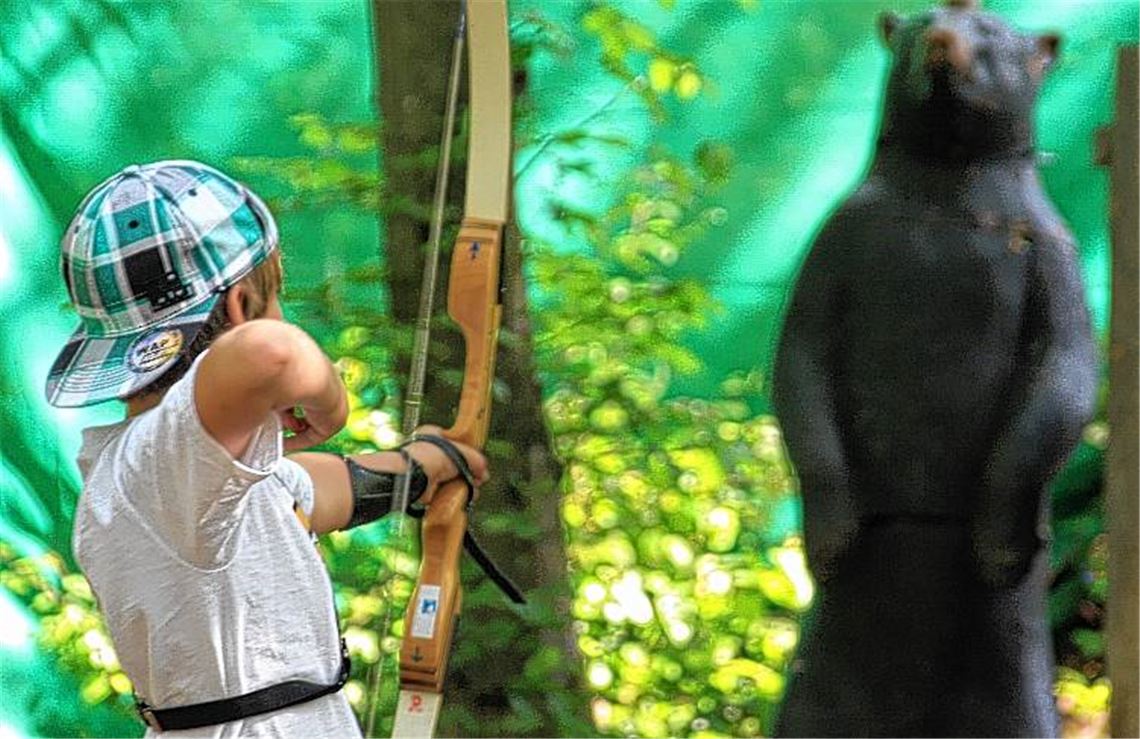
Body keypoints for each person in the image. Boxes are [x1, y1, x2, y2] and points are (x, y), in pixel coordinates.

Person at [44, 160, 486, 737]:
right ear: (241, 306)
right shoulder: (157, 464)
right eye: (272, 300)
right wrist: (332, 404)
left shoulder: (179, 481)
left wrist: (426, 465)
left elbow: (307, 492)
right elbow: (270, 354)